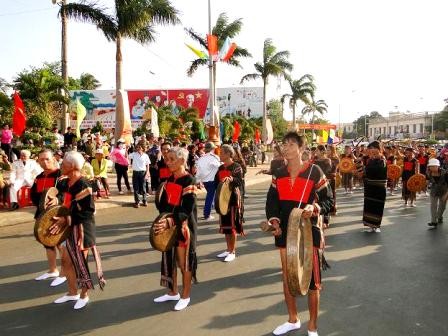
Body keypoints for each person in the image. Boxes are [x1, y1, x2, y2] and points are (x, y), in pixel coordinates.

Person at [266, 132, 333, 336]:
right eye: (284, 144)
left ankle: (312, 326)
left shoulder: (315, 171)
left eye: (291, 144)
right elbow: (272, 202)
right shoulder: (278, 172)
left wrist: (315, 208)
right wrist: (274, 220)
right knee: (287, 277)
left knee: (312, 281)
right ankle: (293, 319)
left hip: (308, 232)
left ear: (302, 148)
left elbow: (328, 200)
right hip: (284, 232)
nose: (286, 147)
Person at [49, 151, 106, 310]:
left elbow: (88, 211)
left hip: (82, 229)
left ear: (72, 166)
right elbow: (62, 201)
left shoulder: (84, 185)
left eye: (63, 163)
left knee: (80, 262)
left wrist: (65, 220)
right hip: (69, 228)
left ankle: (84, 295)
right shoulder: (65, 183)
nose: (61, 165)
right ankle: (72, 292)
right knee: (67, 261)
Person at [153, 147, 198, 311]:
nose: (168, 162)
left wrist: (170, 221)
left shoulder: (189, 181)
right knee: (170, 260)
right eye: (167, 159)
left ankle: (185, 296)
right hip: (169, 226)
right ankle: (173, 292)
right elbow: (164, 205)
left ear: (182, 161)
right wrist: (163, 220)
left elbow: (186, 209)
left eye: (172, 159)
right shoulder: (169, 180)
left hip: (184, 227)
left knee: (183, 262)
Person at [31, 149, 66, 287]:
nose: (44, 162)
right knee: (47, 243)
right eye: (41, 159)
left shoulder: (61, 175)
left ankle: (64, 273)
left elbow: (67, 193)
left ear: (53, 159)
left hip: (58, 215)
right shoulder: (38, 177)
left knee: (60, 244)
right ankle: (53, 270)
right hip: (42, 215)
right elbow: (34, 196)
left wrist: (58, 200)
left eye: (47, 159)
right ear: (38, 161)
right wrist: (41, 203)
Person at [215, 144, 244, 262]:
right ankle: (228, 249)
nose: (219, 155)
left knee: (232, 227)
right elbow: (217, 182)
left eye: (221, 153)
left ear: (228, 154)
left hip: (233, 201)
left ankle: (233, 251)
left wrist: (231, 179)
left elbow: (239, 182)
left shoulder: (237, 167)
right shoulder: (221, 168)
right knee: (226, 226)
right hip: (223, 201)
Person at [362, 141, 387, 233]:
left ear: (378, 148)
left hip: (378, 188)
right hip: (369, 187)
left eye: (372, 148)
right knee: (369, 205)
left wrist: (365, 170)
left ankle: (376, 225)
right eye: (370, 148)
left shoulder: (382, 159)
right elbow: (367, 171)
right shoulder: (370, 160)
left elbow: (377, 171)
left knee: (377, 206)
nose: (370, 150)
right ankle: (370, 225)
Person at [195, 142, 220, 221]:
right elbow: (218, 166)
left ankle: (210, 207)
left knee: (211, 195)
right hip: (212, 180)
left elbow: (198, 171)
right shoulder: (214, 157)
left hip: (204, 181)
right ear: (213, 149)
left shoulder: (201, 158)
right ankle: (207, 214)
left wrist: (198, 180)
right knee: (210, 196)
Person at [426, 158, 448, 228]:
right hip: (434, 191)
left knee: (442, 207)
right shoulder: (428, 172)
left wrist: (446, 195)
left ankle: (439, 216)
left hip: (444, 191)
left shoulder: (445, 173)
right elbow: (427, 181)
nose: (432, 168)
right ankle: (433, 221)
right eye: (431, 166)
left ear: (438, 166)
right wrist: (423, 185)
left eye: (434, 166)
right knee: (433, 206)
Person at [128, 143, 151, 208]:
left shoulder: (145, 155)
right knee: (136, 188)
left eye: (140, 147)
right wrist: (126, 149)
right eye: (137, 147)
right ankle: (137, 202)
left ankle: (144, 200)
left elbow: (147, 165)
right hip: (135, 173)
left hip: (143, 173)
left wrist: (147, 172)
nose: (138, 148)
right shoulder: (134, 154)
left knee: (143, 188)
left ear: (143, 148)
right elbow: (127, 156)